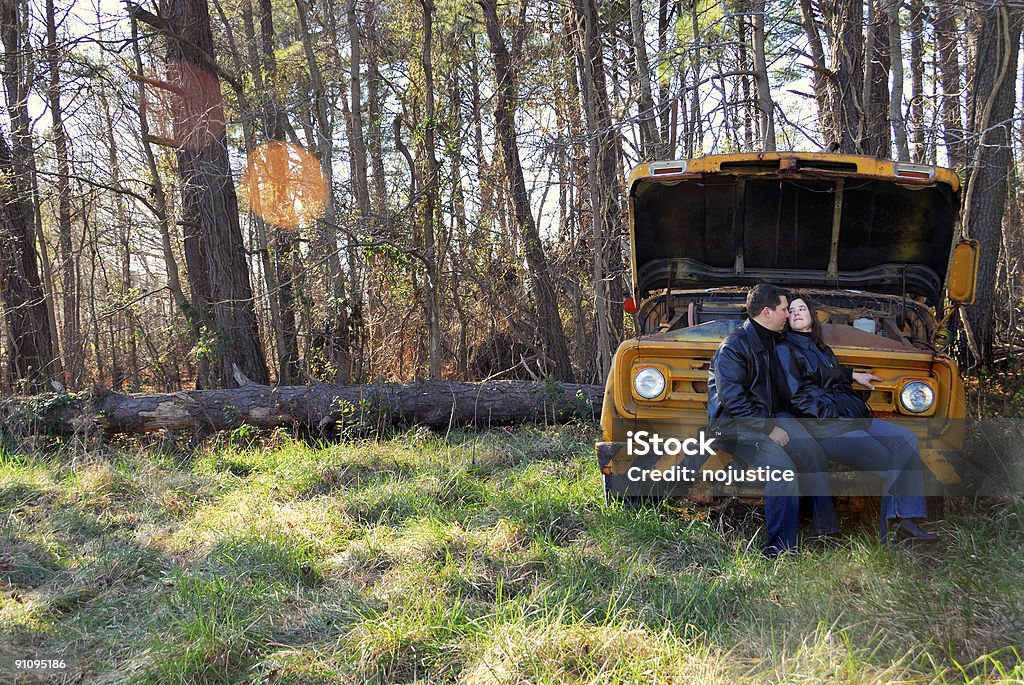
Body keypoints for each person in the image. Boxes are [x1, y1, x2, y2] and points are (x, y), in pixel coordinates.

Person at [773, 295, 939, 546]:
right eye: (792, 310)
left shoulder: (821, 348)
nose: (796, 313)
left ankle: (907, 520)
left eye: (802, 308)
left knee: (906, 439)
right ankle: (894, 536)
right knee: (893, 458)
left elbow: (831, 373)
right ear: (786, 318)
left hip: (848, 419)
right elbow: (797, 399)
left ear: (812, 315)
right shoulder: (784, 349)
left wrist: (854, 375)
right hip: (827, 428)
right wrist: (834, 417)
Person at [707, 284, 838, 557]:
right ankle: (779, 549)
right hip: (737, 427)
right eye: (783, 310)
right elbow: (734, 402)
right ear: (767, 312)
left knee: (811, 449)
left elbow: (814, 362)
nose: (787, 316)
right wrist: (769, 429)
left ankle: (825, 529)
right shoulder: (733, 347)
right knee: (784, 471)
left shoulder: (773, 340)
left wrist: (849, 377)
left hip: (768, 417)